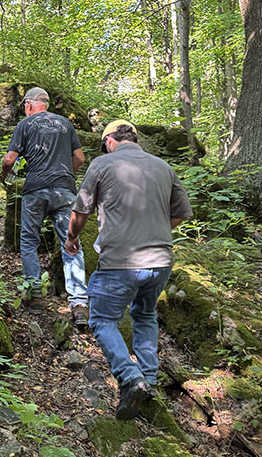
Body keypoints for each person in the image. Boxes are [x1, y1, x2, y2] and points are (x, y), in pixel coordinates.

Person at [65, 120, 193, 419]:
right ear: (135, 138)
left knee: (102, 319)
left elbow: (80, 211)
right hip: (160, 261)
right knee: (145, 314)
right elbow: (182, 213)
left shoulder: (102, 164)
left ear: (110, 140)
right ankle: (148, 382)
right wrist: (157, 230)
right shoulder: (163, 167)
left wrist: (72, 239)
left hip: (120, 261)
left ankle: (129, 377)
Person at [0, 87, 89, 322]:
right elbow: (79, 158)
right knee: (71, 243)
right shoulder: (65, 125)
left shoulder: (25, 125)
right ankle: (79, 302)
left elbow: (10, 159)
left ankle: (35, 295)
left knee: (29, 241)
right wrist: (67, 176)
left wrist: (5, 176)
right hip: (64, 192)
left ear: (29, 105)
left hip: (35, 190)